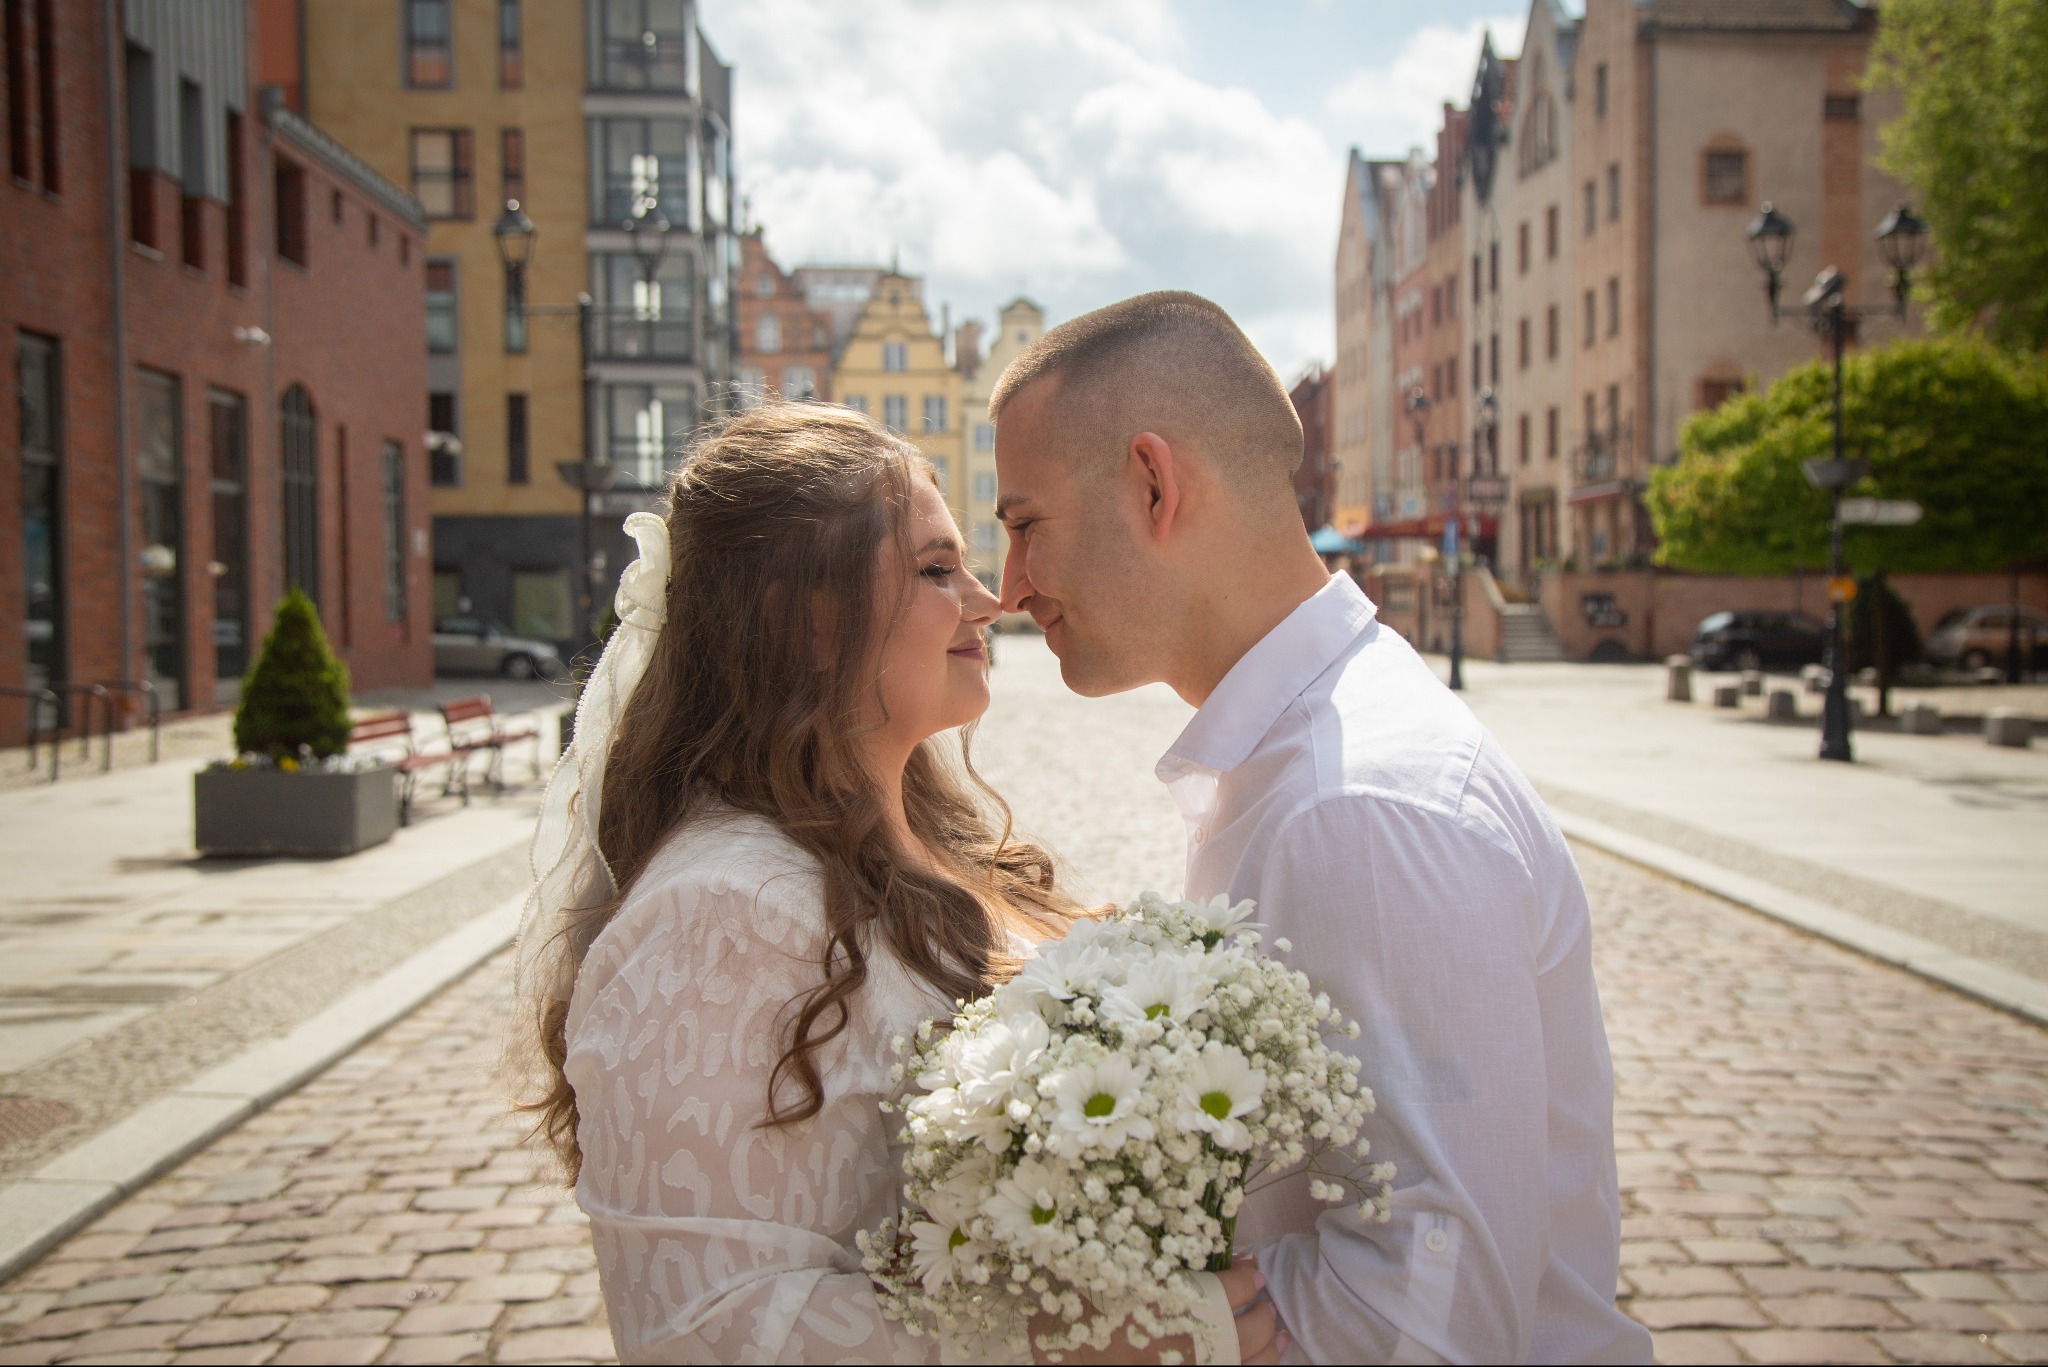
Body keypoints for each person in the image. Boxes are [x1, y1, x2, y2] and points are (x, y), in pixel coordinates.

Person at [512, 404, 1280, 1364]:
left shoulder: (932, 840)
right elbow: (700, 1328)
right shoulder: (716, 914)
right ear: (802, 615)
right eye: (932, 568)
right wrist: (1076, 1349)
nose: (984, 600)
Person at [989, 292, 1653, 1365]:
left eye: (1022, 524)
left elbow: (1436, 1314)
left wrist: (1152, 1312)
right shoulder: (1296, 763)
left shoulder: (1359, 810)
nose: (1009, 583)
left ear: (1153, 484)